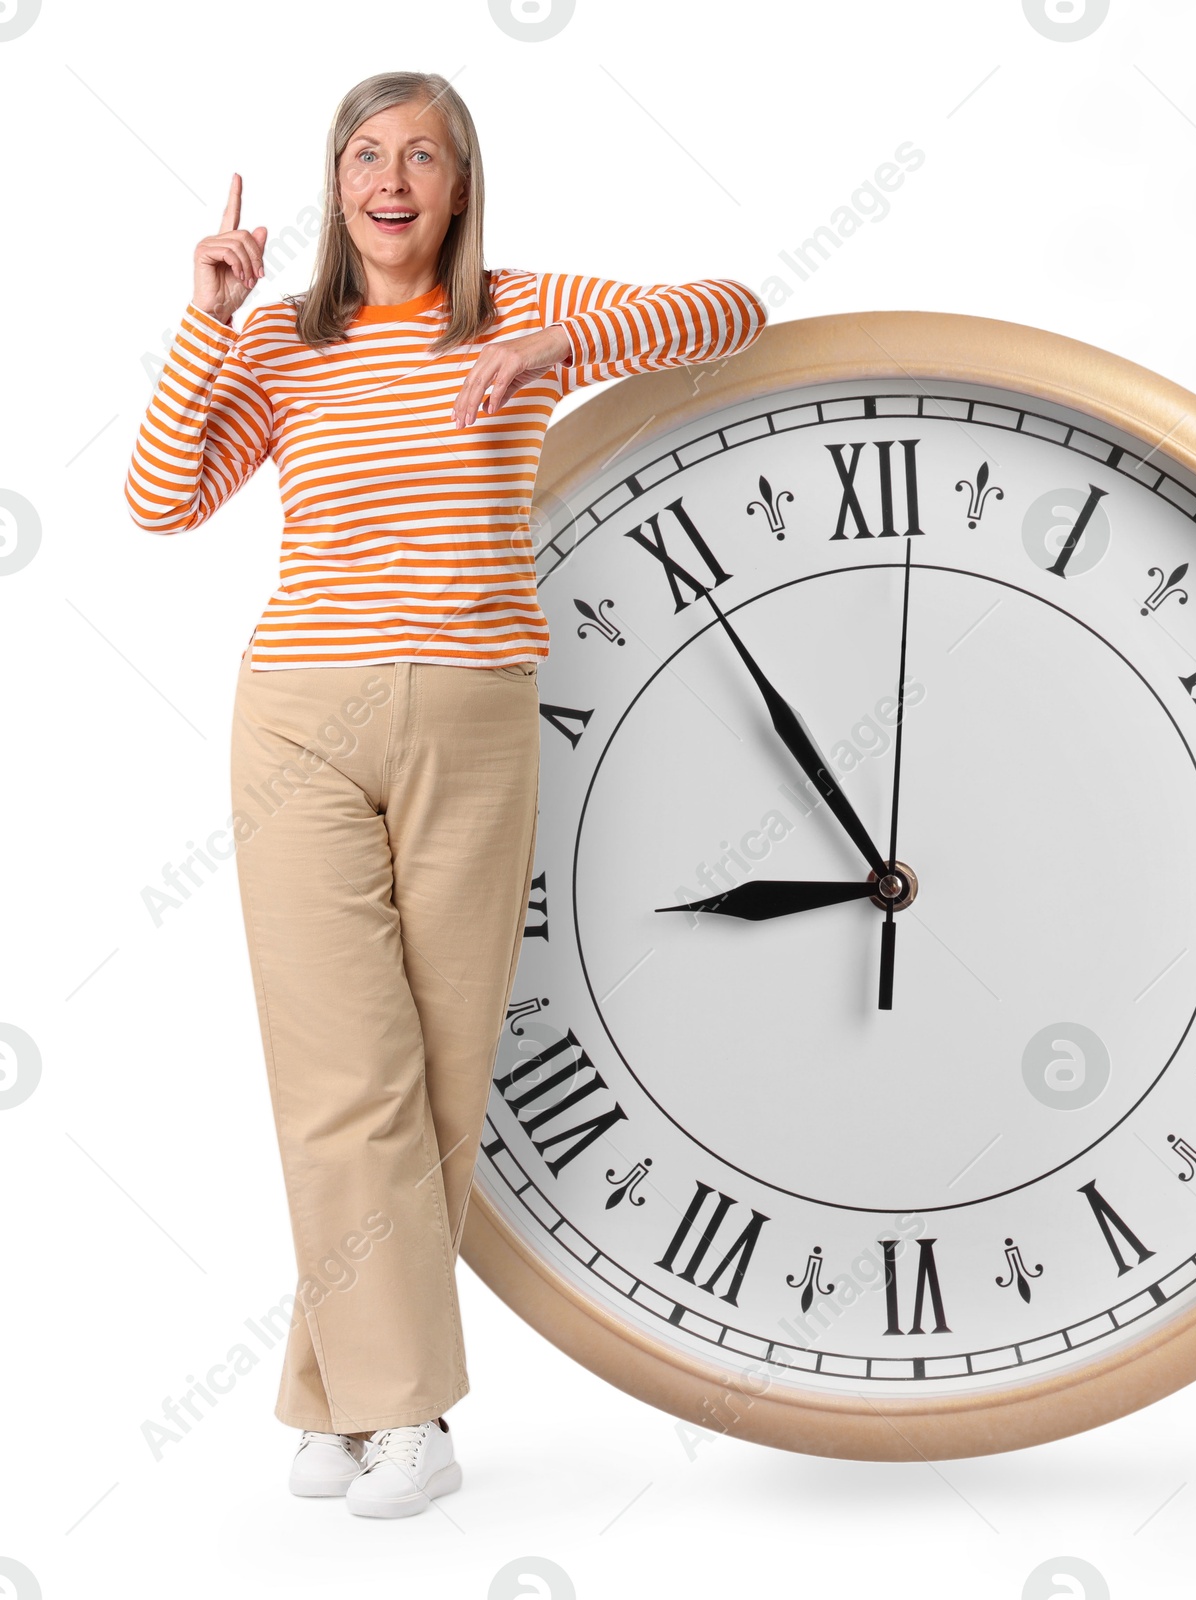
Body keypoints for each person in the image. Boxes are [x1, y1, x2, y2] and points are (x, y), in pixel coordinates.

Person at [124, 69, 766, 1520]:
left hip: (475, 719)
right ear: (336, 183)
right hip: (301, 720)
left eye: (423, 154)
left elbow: (733, 309)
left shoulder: (522, 306)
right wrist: (206, 318)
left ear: (460, 184)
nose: (393, 177)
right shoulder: (286, 336)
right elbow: (162, 498)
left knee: (439, 1068)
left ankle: (331, 1393)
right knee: (342, 1077)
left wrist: (565, 337)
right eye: (366, 154)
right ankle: (412, 1418)